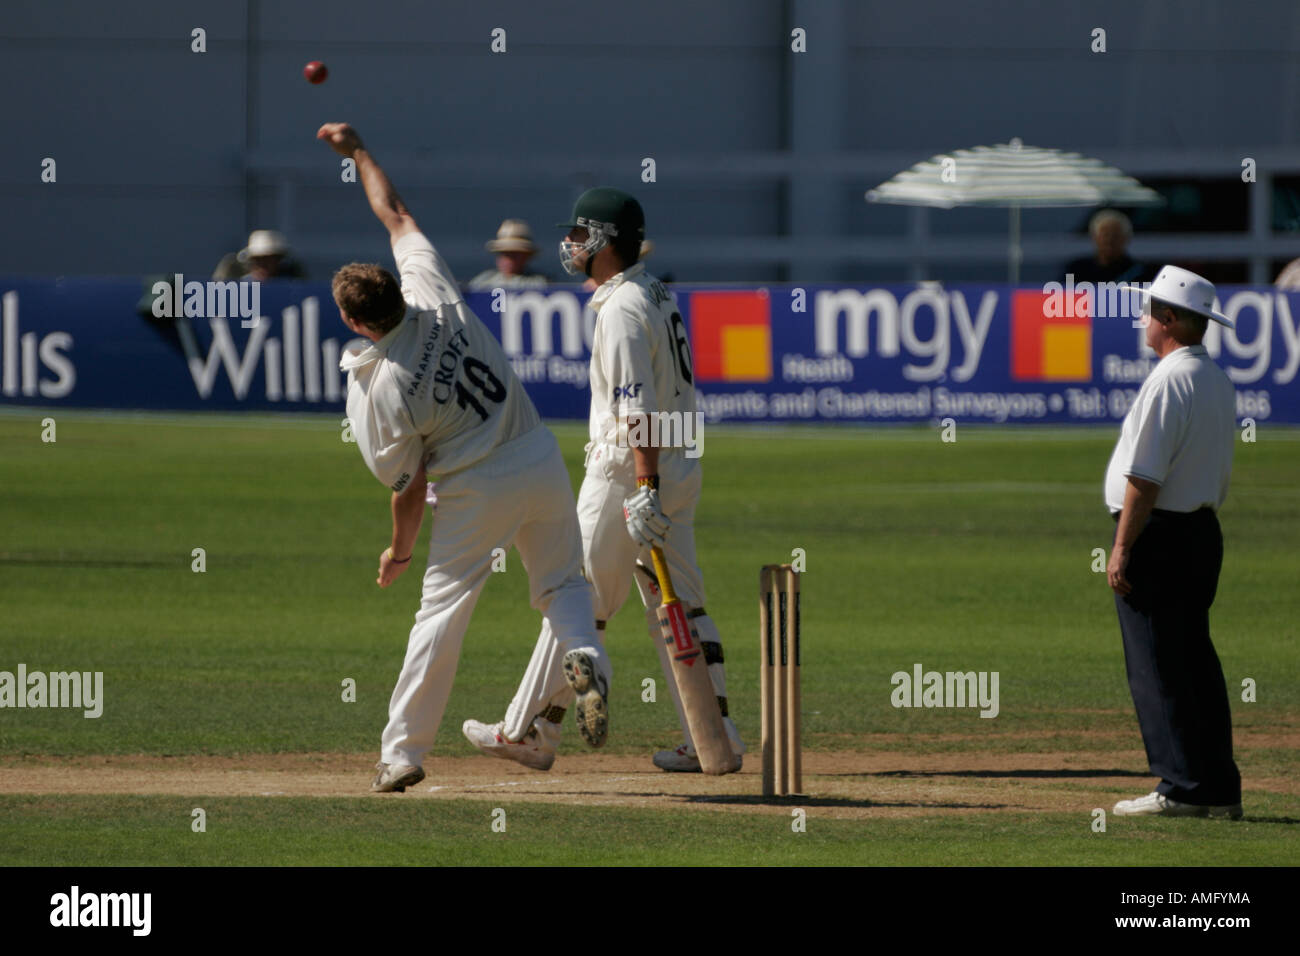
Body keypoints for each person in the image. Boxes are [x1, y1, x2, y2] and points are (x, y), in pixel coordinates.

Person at [315, 121, 612, 793]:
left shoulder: (381, 387)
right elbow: (395, 214)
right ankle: (587, 656)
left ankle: (403, 755)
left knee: (442, 615)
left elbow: (407, 483)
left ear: (358, 324)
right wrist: (358, 151)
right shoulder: (434, 291)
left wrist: (398, 551)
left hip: (477, 484)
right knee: (566, 586)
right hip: (538, 453)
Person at [462, 187, 744, 773]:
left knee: (577, 600)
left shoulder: (620, 309)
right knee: (682, 607)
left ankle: (528, 731)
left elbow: (635, 407)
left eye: (578, 234)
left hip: (628, 473)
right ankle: (716, 738)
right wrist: (660, 481)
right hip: (679, 465)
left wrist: (642, 485)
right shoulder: (655, 292)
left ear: (606, 242)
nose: (568, 244)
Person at [1104, 264, 1242, 819]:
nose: (1142, 320)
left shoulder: (1170, 379)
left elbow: (1145, 477)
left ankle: (1183, 788)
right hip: (1199, 532)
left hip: (1161, 535)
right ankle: (1216, 787)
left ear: (1168, 319)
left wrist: (1121, 546)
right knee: (1193, 661)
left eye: (1150, 311)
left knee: (1158, 662)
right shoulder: (1214, 378)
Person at [1064, 209, 1147, 284]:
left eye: (1115, 235)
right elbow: (1064, 296)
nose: (1109, 240)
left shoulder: (1139, 273)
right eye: (1105, 234)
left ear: (1126, 238)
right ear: (1094, 237)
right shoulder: (1076, 270)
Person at [465, 219, 549, 291]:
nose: (507, 260)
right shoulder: (483, 281)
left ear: (526, 256)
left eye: (513, 254)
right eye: (503, 254)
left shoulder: (539, 283)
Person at [213, 229, 307, 281]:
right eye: (257, 260)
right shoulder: (240, 285)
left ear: (278, 260)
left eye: (268, 260)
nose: (263, 265)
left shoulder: (290, 284)